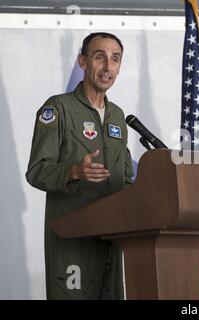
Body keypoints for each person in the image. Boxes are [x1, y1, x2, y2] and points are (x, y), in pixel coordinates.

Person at [26, 32, 134, 299]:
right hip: (73, 242)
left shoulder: (118, 117)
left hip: (111, 240)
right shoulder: (58, 109)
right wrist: (73, 171)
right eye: (100, 57)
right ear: (82, 62)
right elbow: (36, 170)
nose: (108, 67)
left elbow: (126, 176)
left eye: (115, 59)